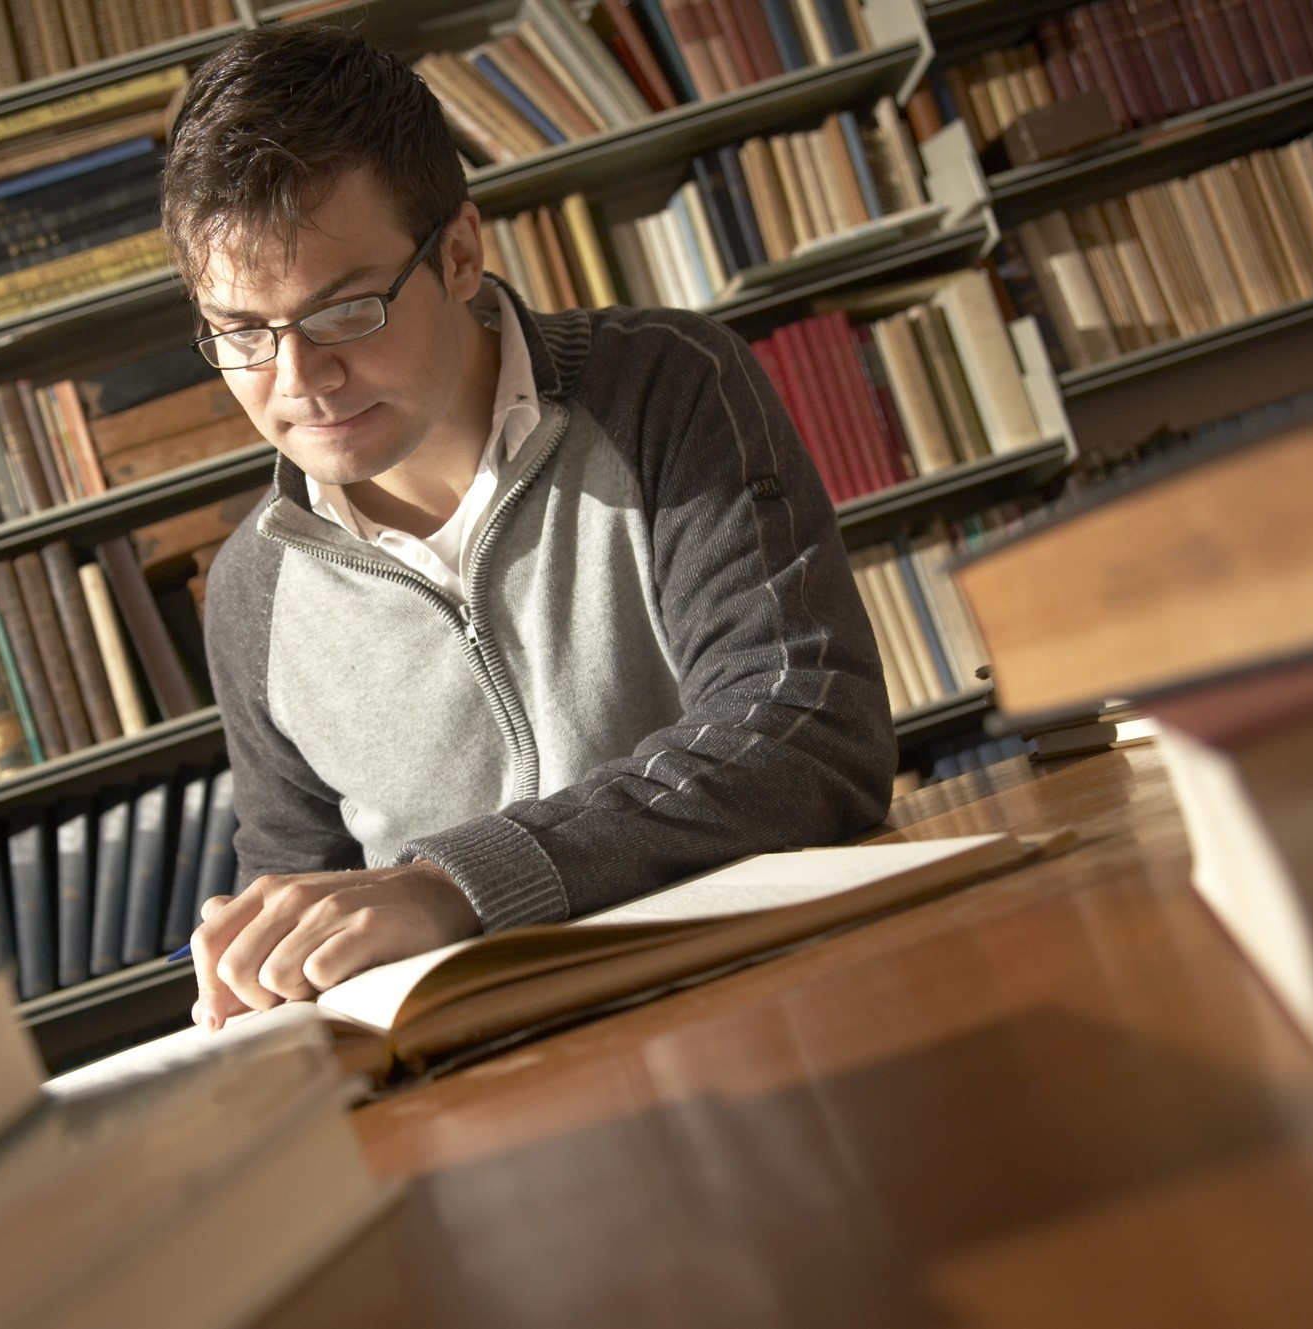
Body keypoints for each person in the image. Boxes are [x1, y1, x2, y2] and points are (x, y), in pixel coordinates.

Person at [160, 24, 897, 1032]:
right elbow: (296, 888)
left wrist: (451, 886)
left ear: (459, 253)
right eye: (243, 331)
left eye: (345, 312)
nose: (298, 381)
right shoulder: (252, 591)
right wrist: (258, 958)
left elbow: (810, 731)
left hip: (780, 1019)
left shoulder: (665, 389)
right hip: (492, 1078)